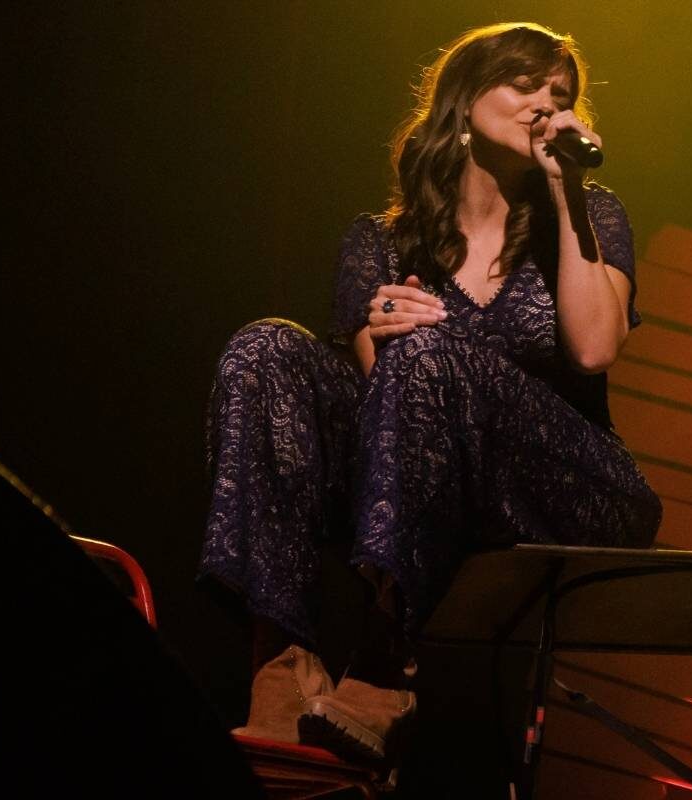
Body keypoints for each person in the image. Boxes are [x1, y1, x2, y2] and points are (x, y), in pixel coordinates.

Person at [199, 22, 662, 764]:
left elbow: (594, 347)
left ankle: (385, 666)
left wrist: (563, 185)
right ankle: (280, 662)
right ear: (465, 95)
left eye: (563, 94)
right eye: (527, 84)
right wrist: (377, 338)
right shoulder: (382, 241)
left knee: (432, 349)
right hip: (438, 477)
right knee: (265, 348)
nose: (549, 103)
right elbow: (389, 429)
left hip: (571, 485)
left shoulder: (589, 212)